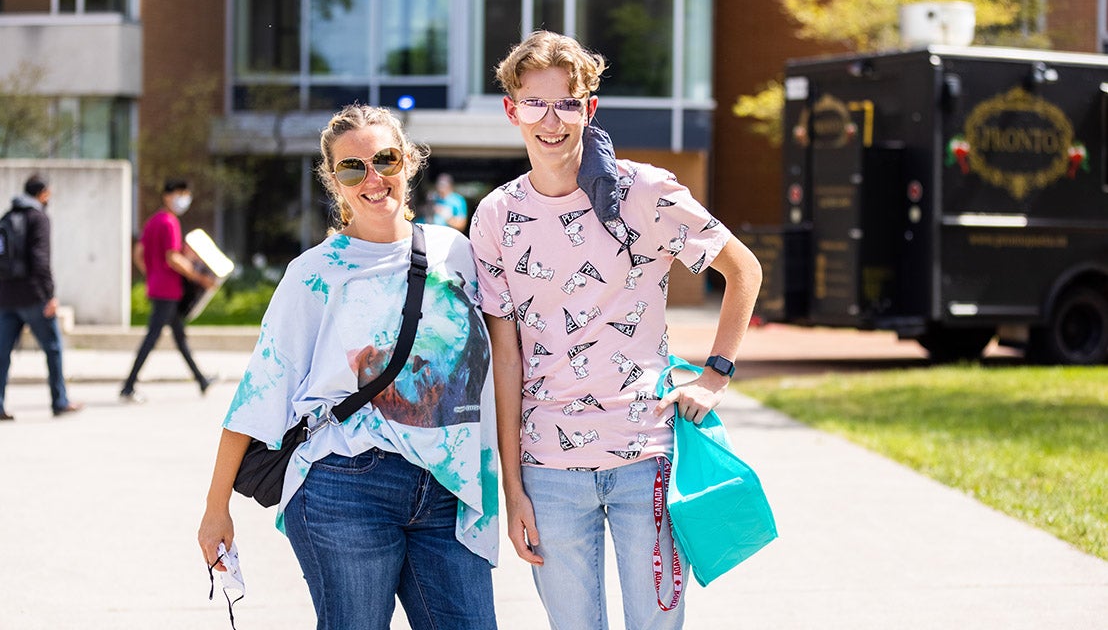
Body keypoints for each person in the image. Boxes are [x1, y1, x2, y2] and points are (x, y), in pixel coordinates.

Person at [469, 31, 763, 630]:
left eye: (567, 104)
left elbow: (743, 269)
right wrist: (513, 485)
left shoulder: (645, 192)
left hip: (647, 459)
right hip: (548, 471)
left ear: (589, 109)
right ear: (511, 110)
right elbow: (506, 355)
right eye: (535, 104)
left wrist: (716, 375)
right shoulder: (495, 216)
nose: (551, 121)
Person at [197, 104, 499, 630]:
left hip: (451, 488)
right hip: (346, 484)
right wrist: (215, 508)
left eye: (385, 159)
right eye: (352, 167)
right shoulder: (314, 273)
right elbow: (260, 393)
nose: (373, 178)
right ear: (333, 181)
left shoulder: (459, 253)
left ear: (409, 162)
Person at [0, 175, 82, 421]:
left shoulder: (6, 218)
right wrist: (50, 295)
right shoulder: (38, 218)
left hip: (6, 296)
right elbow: (41, 260)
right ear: (43, 193)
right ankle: (59, 401)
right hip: (33, 296)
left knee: (1, 351)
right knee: (53, 348)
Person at [119, 179, 215, 402]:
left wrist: (151, 273)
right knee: (152, 337)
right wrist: (200, 278)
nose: (183, 200)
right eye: (180, 194)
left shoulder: (152, 221)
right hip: (168, 290)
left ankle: (201, 380)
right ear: (168, 196)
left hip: (158, 286)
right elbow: (173, 258)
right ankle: (128, 386)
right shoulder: (170, 222)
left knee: (179, 337)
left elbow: (138, 252)